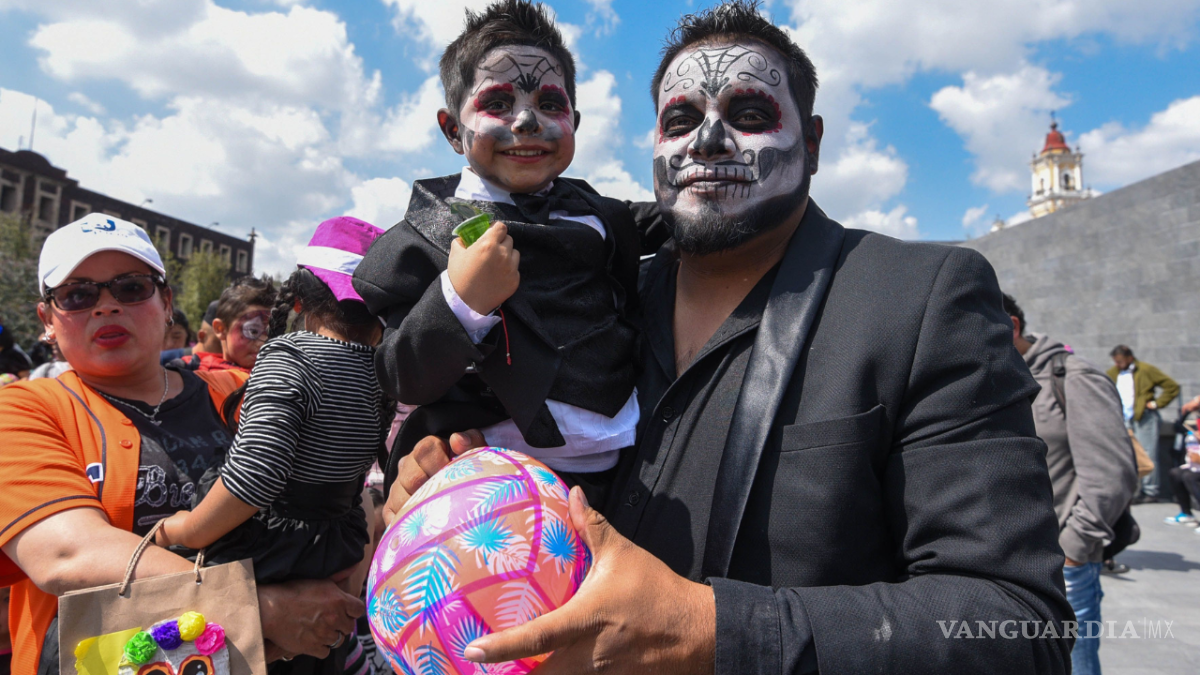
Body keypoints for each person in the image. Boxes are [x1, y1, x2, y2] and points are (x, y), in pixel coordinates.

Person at [381, 3, 1073, 673]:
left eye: (748, 115)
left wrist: (710, 631)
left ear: (812, 142)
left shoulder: (919, 299)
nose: (707, 141)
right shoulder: (608, 300)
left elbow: (1019, 625)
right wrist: (446, 485)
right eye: (680, 120)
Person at [0, 215, 362, 675]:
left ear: (166, 302)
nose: (106, 307)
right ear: (47, 320)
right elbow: (68, 555)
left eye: (131, 288)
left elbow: (341, 496)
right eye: (78, 295)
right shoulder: (23, 409)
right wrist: (259, 608)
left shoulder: (243, 390)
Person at [354, 0, 642, 508]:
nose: (527, 120)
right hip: (487, 486)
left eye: (550, 104)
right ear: (452, 130)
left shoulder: (602, 215)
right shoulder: (423, 239)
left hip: (623, 479)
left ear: (575, 121)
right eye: (498, 103)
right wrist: (460, 301)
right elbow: (402, 376)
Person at [157, 217, 391, 591]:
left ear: (298, 299)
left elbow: (255, 477)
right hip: (337, 543)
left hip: (266, 547)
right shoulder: (382, 371)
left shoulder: (292, 358)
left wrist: (185, 530)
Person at [1005, 294, 1137, 675]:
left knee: (1073, 667)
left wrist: (1074, 549)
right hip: (1008, 565)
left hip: (1064, 566)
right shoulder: (995, 378)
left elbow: (1112, 475)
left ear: (1011, 326)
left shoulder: (1073, 375)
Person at [1107, 345, 1179, 503]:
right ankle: (1132, 490)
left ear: (1130, 358)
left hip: (1143, 417)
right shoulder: (1113, 372)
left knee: (1147, 453)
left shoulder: (1145, 369)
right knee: (1125, 454)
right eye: (1115, 361)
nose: (1117, 364)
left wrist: (1156, 403)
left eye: (1120, 361)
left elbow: (1172, 386)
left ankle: (1150, 491)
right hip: (1122, 418)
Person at [177, 278, 276, 373]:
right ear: (220, 329)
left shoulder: (276, 376)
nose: (263, 342)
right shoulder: (189, 371)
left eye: (271, 333)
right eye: (253, 331)